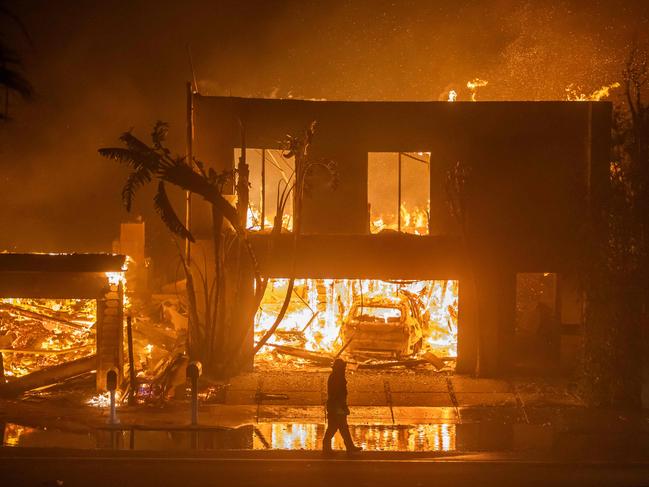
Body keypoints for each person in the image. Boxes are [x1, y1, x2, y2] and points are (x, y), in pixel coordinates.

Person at [323, 358, 362, 455]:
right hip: (336, 406)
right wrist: (341, 407)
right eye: (343, 368)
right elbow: (338, 394)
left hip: (336, 406)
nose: (344, 369)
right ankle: (327, 448)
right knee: (334, 427)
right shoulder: (336, 377)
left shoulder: (336, 376)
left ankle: (349, 447)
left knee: (342, 427)